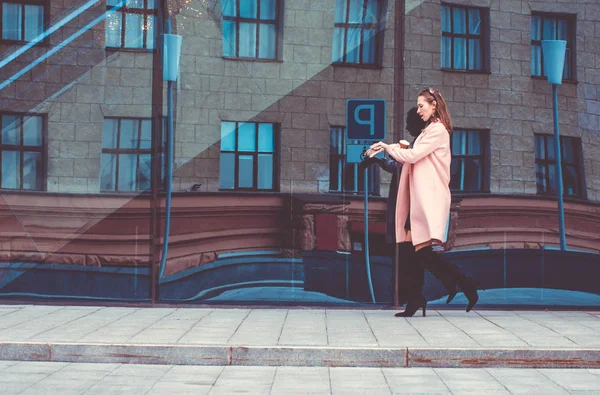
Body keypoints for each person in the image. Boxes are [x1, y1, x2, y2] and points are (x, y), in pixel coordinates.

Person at [366, 88, 480, 317]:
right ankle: (430, 294)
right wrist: (389, 149)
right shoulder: (430, 130)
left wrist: (388, 147)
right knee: (415, 253)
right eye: (417, 106)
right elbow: (411, 157)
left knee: (419, 252)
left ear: (434, 105)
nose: (418, 111)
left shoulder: (437, 130)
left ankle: (461, 285)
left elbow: (412, 157)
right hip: (417, 199)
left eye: (421, 106)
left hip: (426, 199)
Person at [360, 107, 458, 308]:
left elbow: (402, 167)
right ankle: (419, 296)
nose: (407, 126)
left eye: (410, 122)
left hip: (415, 207)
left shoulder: (422, 146)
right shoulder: (418, 144)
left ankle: (445, 286)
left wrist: (379, 158)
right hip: (412, 207)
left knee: (413, 255)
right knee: (412, 255)